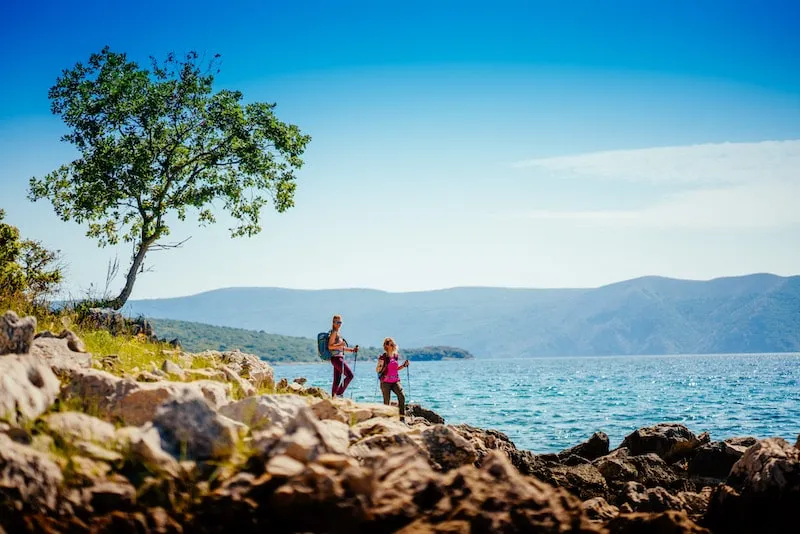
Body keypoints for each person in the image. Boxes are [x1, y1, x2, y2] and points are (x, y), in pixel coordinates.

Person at [375, 337, 409, 421]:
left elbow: (396, 368)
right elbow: (377, 370)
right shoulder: (383, 357)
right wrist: (380, 364)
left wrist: (404, 365)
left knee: (402, 396)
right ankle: (386, 420)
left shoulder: (395, 356)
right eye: (391, 344)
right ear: (387, 346)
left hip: (395, 381)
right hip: (385, 382)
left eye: (393, 344)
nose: (393, 345)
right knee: (386, 402)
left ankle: (402, 419)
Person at [328, 314, 358, 397]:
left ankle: (333, 398)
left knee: (337, 380)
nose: (339, 324)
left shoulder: (338, 333)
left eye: (340, 322)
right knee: (350, 375)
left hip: (338, 357)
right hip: (336, 358)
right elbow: (330, 346)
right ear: (333, 323)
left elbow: (341, 348)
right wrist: (340, 344)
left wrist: (352, 350)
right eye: (337, 322)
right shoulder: (334, 333)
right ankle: (339, 394)